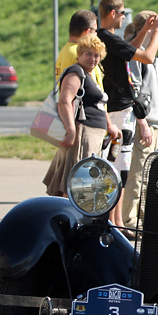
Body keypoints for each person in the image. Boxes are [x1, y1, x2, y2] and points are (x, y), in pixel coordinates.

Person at [95, 0, 158, 227]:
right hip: (118, 111)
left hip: (119, 110)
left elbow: (131, 50)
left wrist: (144, 30)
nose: (124, 17)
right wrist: (156, 31)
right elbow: (147, 57)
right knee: (119, 169)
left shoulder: (109, 38)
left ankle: (117, 222)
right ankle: (115, 222)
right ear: (112, 13)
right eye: (122, 13)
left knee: (119, 168)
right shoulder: (107, 37)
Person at [43, 33, 120, 197]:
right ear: (79, 54)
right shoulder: (75, 72)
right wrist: (71, 132)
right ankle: (69, 213)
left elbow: (100, 105)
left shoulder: (88, 74)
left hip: (92, 136)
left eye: (97, 55)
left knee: (84, 186)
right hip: (83, 135)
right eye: (88, 54)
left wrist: (109, 126)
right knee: (77, 186)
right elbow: (64, 102)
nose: (93, 59)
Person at [120, 10, 158, 229]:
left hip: (154, 122)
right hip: (145, 122)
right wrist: (144, 123)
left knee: (148, 174)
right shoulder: (137, 53)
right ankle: (130, 219)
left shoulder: (149, 54)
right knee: (138, 173)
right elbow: (135, 92)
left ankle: (142, 217)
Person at [54, 10, 100, 88]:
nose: (96, 34)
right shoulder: (81, 54)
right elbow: (91, 87)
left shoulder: (65, 51)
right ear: (88, 32)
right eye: (95, 31)